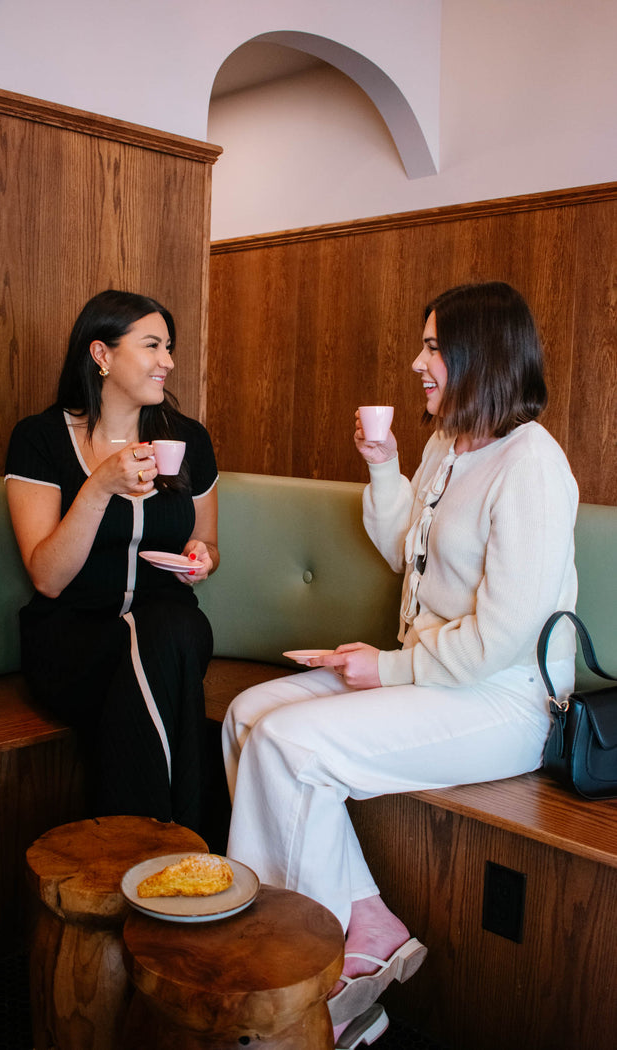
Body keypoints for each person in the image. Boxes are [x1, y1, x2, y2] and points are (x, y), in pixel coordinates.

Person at [222, 282, 578, 1048]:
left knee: (290, 745)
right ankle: (366, 925)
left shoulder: (534, 468)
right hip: (433, 673)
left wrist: (383, 670)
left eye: (432, 347)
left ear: (481, 354)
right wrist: (384, 467)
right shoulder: (449, 444)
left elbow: (503, 639)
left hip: (503, 700)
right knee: (247, 716)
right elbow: (404, 556)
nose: (417, 362)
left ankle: (293, 978)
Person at [5, 289, 219, 835]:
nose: (168, 361)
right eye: (152, 346)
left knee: (166, 630)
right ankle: (187, 848)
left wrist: (201, 558)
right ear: (101, 355)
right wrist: (100, 485)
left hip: (171, 631)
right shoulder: (40, 440)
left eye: (168, 347)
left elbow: (209, 544)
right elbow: (48, 579)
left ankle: (135, 854)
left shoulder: (187, 439)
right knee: (154, 666)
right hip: (74, 642)